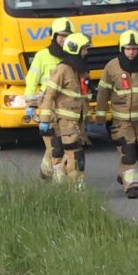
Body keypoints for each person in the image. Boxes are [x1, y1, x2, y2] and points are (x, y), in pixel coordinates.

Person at [99, 31, 138, 198]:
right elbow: (103, 92)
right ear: (122, 48)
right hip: (121, 120)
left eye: (134, 48)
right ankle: (131, 186)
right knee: (128, 151)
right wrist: (100, 115)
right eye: (128, 48)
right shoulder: (112, 66)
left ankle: (124, 174)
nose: (131, 52)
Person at [37, 32, 94, 185]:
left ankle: (59, 183)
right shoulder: (62, 70)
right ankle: (75, 187)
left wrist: (88, 117)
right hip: (64, 121)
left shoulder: (82, 71)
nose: (86, 53)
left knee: (68, 154)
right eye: (84, 49)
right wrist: (45, 120)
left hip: (77, 121)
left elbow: (83, 97)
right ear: (76, 50)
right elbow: (49, 95)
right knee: (75, 155)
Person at [23, 16, 76, 178]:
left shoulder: (74, 58)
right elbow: (31, 81)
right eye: (61, 36)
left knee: (60, 144)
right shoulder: (42, 56)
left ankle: (46, 170)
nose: (64, 39)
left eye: (67, 36)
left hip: (66, 110)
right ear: (53, 36)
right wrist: (31, 105)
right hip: (48, 108)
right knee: (55, 146)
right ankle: (58, 182)